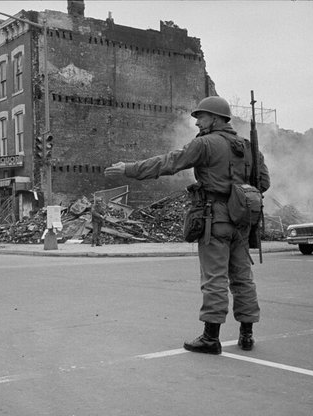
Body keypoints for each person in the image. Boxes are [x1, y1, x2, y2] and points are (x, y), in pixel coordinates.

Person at [104, 96, 270, 354]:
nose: (196, 122)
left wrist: (129, 169)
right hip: (243, 221)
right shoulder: (249, 147)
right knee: (243, 278)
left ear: (214, 118)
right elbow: (264, 183)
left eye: (201, 117)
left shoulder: (205, 143)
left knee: (214, 278)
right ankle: (247, 335)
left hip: (215, 218)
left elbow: (169, 163)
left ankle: (210, 338)